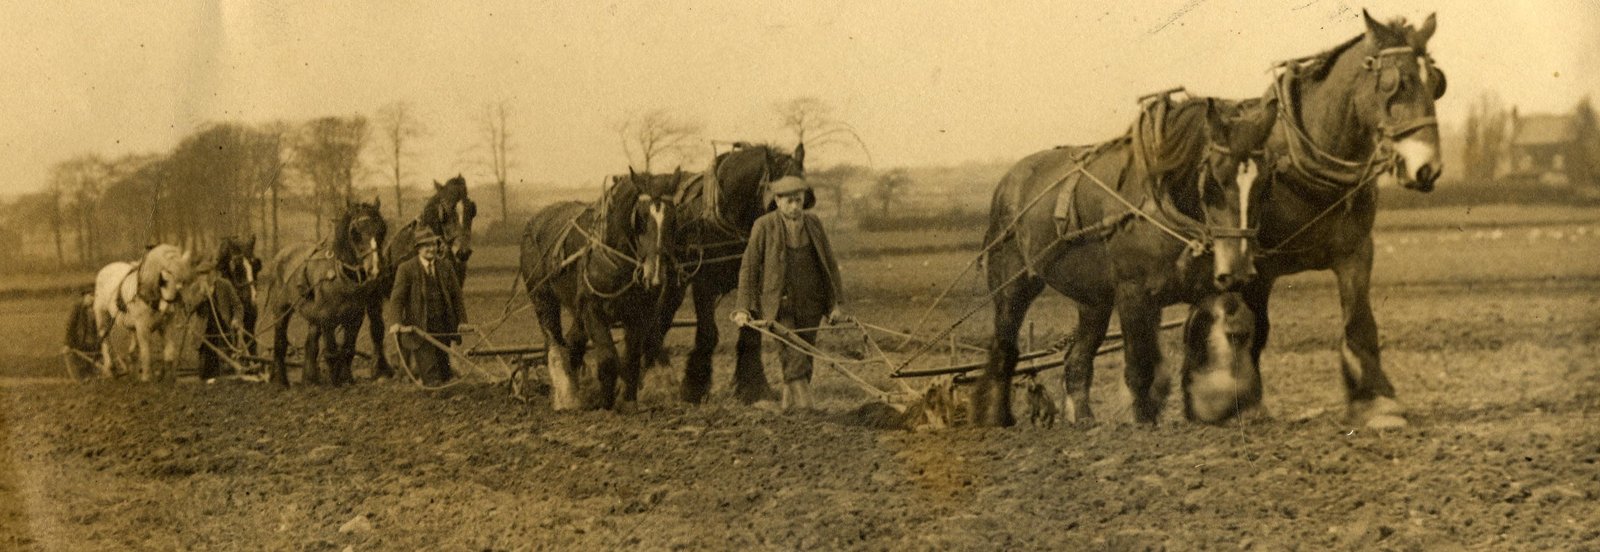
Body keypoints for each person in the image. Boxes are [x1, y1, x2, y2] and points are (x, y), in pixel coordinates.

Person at [731, 175, 845, 412]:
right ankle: (807, 408)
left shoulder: (814, 223)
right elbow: (749, 267)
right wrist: (743, 307)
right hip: (780, 304)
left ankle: (788, 409)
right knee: (793, 355)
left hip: (811, 303)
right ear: (778, 201)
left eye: (799, 200)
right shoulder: (764, 225)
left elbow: (829, 265)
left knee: (805, 355)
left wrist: (835, 304)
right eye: (789, 201)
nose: (795, 206)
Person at [387, 226, 467, 385]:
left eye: (433, 245)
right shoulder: (406, 269)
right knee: (432, 377)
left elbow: (456, 297)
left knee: (446, 375)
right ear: (418, 249)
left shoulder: (445, 266)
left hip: (443, 328)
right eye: (426, 246)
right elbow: (397, 299)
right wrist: (396, 322)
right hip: (419, 330)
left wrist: (463, 322)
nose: (431, 249)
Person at [191, 275, 245, 381]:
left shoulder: (225, 284)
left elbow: (238, 305)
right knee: (206, 372)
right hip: (204, 333)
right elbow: (189, 309)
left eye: (207, 272)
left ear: (213, 271)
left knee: (227, 369)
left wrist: (236, 319)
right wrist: (202, 295)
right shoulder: (195, 287)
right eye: (202, 273)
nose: (205, 276)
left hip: (224, 329)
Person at [64, 285, 100, 381]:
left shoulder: (96, 309)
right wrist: (67, 344)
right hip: (80, 340)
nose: (93, 299)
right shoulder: (78, 308)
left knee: (92, 359)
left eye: (95, 296)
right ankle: (82, 377)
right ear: (85, 296)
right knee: (80, 361)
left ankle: (90, 375)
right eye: (90, 296)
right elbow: (70, 325)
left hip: (93, 340)